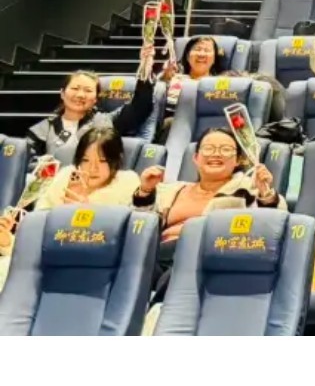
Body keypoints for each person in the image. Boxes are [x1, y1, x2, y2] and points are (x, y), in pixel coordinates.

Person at [0, 129, 140, 271]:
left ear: (116, 160)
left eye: (102, 160)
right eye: (85, 160)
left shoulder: (127, 183)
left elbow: (121, 241)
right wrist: (8, 241)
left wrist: (86, 216)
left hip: (89, 265)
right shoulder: (65, 176)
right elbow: (37, 239)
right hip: (43, 258)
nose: (93, 168)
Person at [133, 127, 282, 250]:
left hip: (211, 254)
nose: (216, 154)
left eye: (225, 149)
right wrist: (145, 191)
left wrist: (265, 191)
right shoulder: (173, 190)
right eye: (208, 148)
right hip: (159, 253)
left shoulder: (248, 189)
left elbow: (273, 227)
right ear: (196, 158)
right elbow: (139, 228)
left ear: (238, 160)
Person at [26, 47, 157, 162]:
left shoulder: (105, 122)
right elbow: (27, 163)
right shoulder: (43, 129)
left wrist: (145, 67)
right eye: (75, 89)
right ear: (62, 93)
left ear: (95, 99)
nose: (80, 95)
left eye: (88, 91)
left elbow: (140, 107)